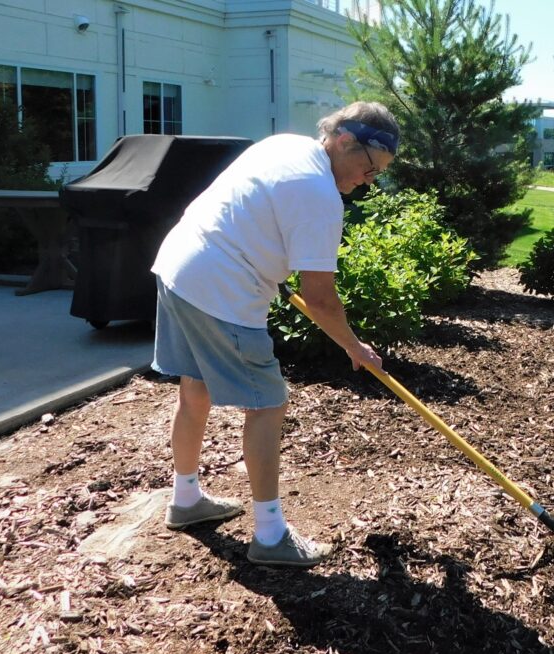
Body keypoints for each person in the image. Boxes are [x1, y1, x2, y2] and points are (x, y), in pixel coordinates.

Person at [150, 101, 399, 568]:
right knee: (267, 403)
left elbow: (253, 210)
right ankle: (269, 536)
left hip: (179, 266)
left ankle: (186, 499)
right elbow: (321, 298)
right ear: (345, 141)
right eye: (369, 167)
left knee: (196, 384)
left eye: (377, 173)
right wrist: (353, 346)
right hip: (221, 288)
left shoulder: (285, 145)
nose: (369, 180)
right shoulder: (319, 196)